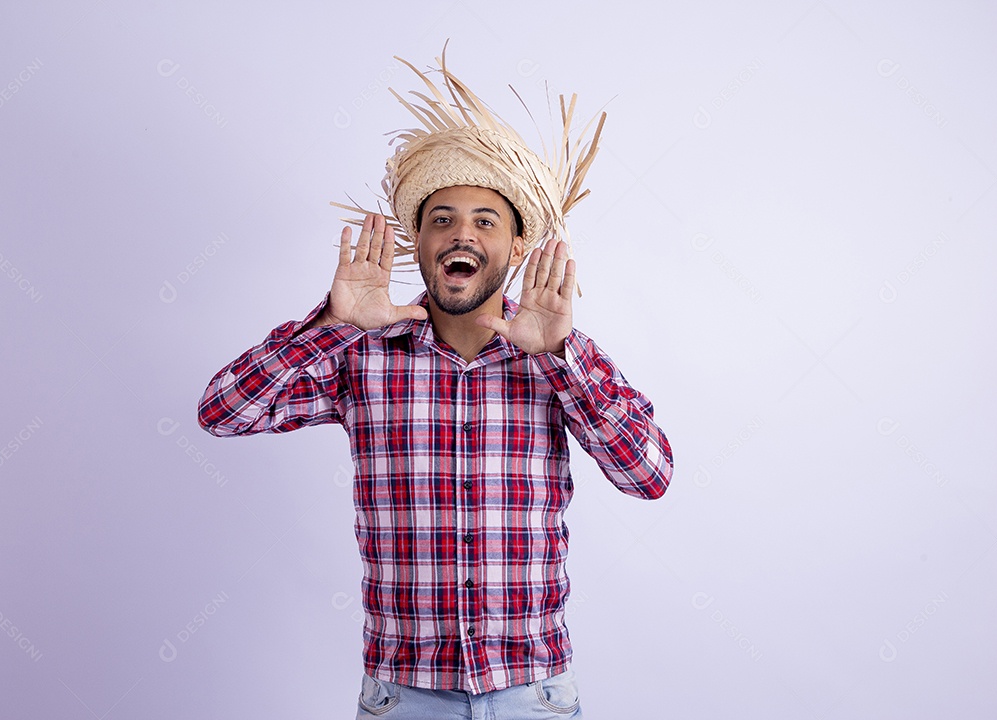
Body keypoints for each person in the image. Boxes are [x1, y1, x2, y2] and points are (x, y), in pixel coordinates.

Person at [197, 49, 673, 720]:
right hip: (403, 696)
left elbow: (649, 475)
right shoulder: (361, 356)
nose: (462, 233)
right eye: (441, 219)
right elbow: (222, 412)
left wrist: (561, 356)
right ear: (418, 244)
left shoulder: (558, 355)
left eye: (486, 220)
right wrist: (330, 324)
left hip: (532, 693)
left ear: (514, 249)